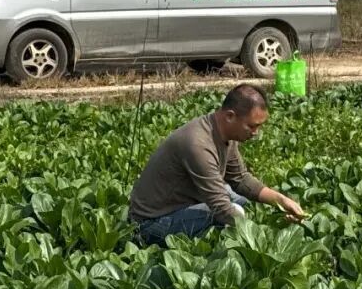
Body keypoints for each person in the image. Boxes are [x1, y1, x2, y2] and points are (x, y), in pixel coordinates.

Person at [128, 84, 307, 245]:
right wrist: (262, 237)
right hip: (151, 223)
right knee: (232, 211)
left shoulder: (226, 134)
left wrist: (281, 201)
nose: (256, 133)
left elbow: (240, 179)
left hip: (185, 203)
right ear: (230, 116)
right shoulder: (198, 145)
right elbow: (220, 207)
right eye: (252, 126)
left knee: (241, 201)